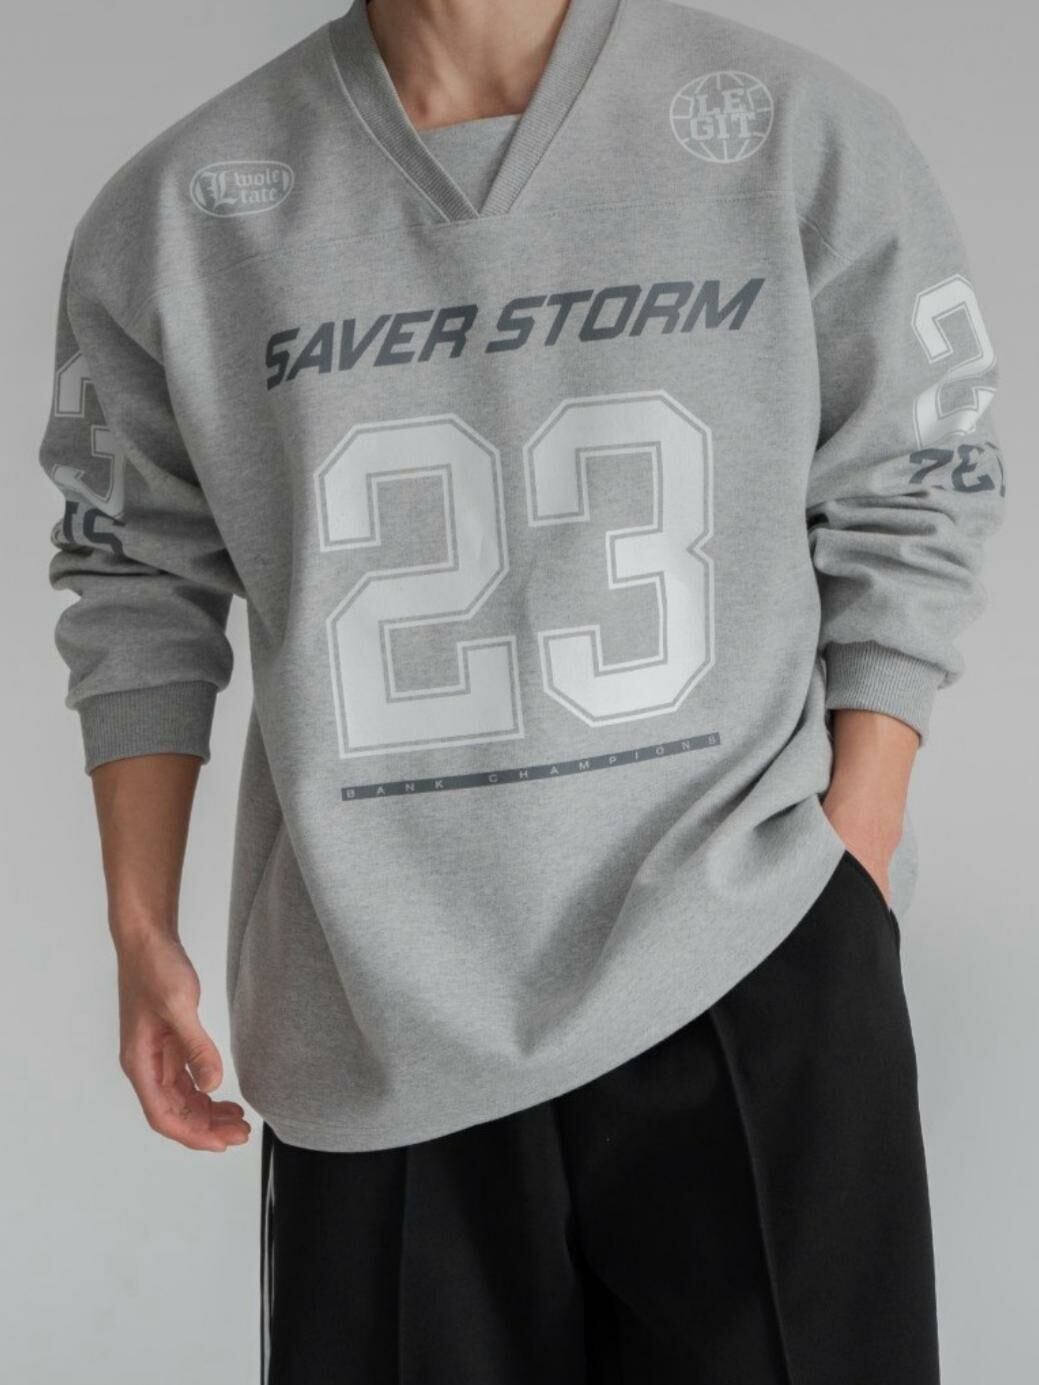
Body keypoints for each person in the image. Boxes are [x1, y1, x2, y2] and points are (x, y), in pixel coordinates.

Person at [37, 0, 1006, 1379]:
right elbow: (133, 577)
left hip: (749, 953)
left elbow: (916, 482)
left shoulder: (794, 133)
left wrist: (854, 838)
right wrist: (140, 926)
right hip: (373, 1015)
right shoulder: (181, 211)